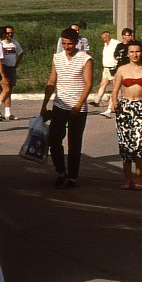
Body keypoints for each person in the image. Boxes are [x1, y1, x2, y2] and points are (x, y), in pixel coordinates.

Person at [41, 27, 94, 189]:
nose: (66, 47)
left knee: (74, 143)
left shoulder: (85, 59)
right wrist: (44, 104)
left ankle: (72, 176)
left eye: (69, 44)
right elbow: (51, 82)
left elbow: (89, 84)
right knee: (54, 140)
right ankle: (60, 171)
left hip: (77, 108)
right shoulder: (57, 58)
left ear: (76, 43)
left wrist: (79, 105)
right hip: (59, 105)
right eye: (64, 43)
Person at [109, 41, 142, 190]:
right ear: (127, 53)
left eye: (137, 51)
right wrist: (114, 102)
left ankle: (139, 178)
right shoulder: (122, 70)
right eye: (131, 52)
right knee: (125, 144)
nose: (135, 54)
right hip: (125, 108)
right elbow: (115, 89)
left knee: (140, 143)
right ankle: (127, 179)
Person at [0, 25, 23, 121]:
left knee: (5, 90)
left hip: (3, 67)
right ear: (3, 34)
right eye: (7, 33)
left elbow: (21, 53)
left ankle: (0, 112)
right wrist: (3, 75)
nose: (10, 34)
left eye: (12, 32)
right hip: (0, 68)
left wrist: (16, 64)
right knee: (3, 89)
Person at [90, 30, 125, 111]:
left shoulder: (115, 43)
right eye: (102, 38)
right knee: (103, 84)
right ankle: (97, 101)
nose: (104, 39)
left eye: (105, 38)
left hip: (113, 67)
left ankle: (113, 104)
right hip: (106, 67)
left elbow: (118, 53)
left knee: (114, 86)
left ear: (109, 36)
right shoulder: (105, 44)